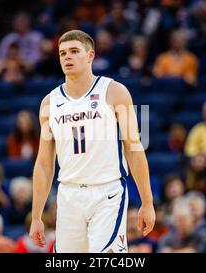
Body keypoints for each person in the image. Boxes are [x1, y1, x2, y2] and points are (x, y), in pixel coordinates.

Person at [29, 30, 155, 253]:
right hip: (68, 195)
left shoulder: (115, 92)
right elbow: (44, 163)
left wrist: (147, 202)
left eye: (74, 51)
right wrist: (36, 215)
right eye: (62, 53)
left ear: (90, 56)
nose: (67, 57)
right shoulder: (49, 103)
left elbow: (135, 149)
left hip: (107, 192)